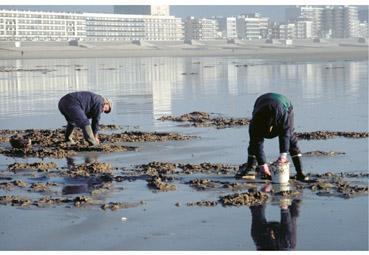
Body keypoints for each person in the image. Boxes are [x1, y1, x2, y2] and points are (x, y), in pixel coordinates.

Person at [236, 93, 307, 181]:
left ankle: (300, 172)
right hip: (261, 102)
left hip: (284, 105)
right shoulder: (255, 123)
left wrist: (283, 155)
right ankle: (250, 169)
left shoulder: (282, 115)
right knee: (254, 142)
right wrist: (263, 165)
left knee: (290, 137)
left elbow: (285, 134)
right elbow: (256, 142)